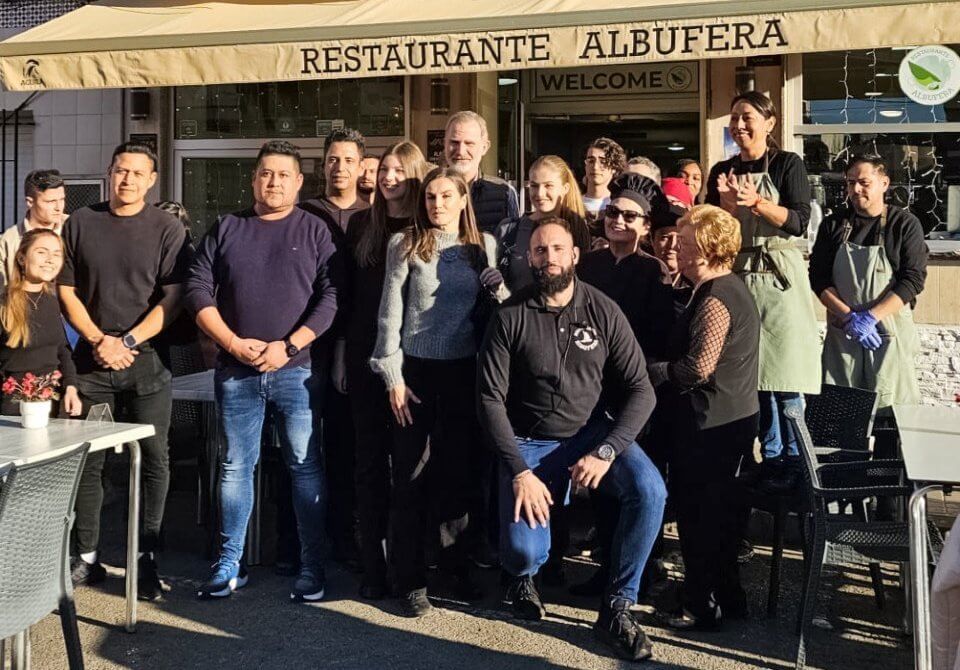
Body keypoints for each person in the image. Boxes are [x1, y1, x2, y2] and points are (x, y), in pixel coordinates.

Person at [477, 218, 664, 660]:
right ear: (528, 258)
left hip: (592, 434)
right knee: (524, 554)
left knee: (650, 489)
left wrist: (606, 450)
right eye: (540, 251)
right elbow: (489, 400)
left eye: (558, 249)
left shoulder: (603, 310)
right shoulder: (509, 317)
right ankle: (523, 574)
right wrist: (520, 472)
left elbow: (642, 390)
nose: (550, 258)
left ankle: (617, 608)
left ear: (575, 255)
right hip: (530, 444)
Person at [185, 140, 343, 602]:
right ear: (253, 179)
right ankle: (229, 563)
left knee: (305, 467)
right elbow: (197, 289)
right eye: (265, 174)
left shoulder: (316, 230)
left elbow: (331, 298)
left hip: (297, 371)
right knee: (235, 468)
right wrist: (230, 342)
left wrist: (289, 345)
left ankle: (313, 567)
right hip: (236, 371)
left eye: (282, 175)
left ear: (298, 183)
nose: (273, 182)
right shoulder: (228, 227)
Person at [370, 166, 507, 617]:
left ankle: (454, 566)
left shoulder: (483, 246)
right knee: (409, 475)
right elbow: (390, 315)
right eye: (430, 197)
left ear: (463, 198)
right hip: (417, 374)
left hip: (464, 372)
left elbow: (498, 309)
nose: (437, 205)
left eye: (446, 196)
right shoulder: (405, 244)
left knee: (457, 475)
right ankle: (407, 577)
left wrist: (500, 290)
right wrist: (393, 377)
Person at [59, 141, 192, 598]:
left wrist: (129, 341)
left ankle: (145, 558)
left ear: (152, 180)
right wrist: (99, 340)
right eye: (120, 171)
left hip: (147, 361)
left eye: (137, 173)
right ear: (108, 173)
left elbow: (173, 298)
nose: (127, 180)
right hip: (92, 363)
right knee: (89, 461)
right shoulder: (80, 222)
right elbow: (66, 291)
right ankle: (88, 557)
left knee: (154, 459)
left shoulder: (167, 228)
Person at [648, 204, 760, 629]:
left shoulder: (716, 297)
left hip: (711, 425)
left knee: (703, 518)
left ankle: (701, 605)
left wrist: (657, 370)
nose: (678, 245)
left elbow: (699, 367)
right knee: (719, 518)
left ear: (708, 247)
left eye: (688, 240)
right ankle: (726, 598)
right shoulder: (722, 287)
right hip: (725, 419)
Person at [706, 91, 821, 492]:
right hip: (738, 274)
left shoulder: (789, 164)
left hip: (780, 275)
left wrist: (757, 203)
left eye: (748, 117)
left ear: (770, 123)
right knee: (749, 373)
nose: (739, 125)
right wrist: (725, 204)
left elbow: (799, 221)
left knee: (785, 372)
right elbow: (713, 231)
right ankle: (767, 456)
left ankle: (797, 458)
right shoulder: (722, 169)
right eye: (734, 118)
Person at [336, 140, 429, 598]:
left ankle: (407, 569)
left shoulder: (427, 226)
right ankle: (372, 568)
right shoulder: (361, 225)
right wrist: (340, 354)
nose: (389, 178)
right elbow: (347, 298)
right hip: (361, 355)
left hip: (413, 363)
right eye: (385, 170)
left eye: (398, 171)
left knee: (409, 470)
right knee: (368, 466)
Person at [300, 126, 369, 568]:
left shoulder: (371, 217)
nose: (339, 167)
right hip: (306, 346)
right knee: (301, 447)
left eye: (348, 159)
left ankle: (344, 536)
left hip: (354, 347)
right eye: (332, 159)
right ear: (321, 164)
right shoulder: (305, 213)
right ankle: (299, 539)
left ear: (362, 167)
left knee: (346, 447)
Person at [809, 155, 926, 412]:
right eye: (850, 183)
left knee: (890, 414)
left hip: (888, 335)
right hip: (844, 334)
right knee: (840, 414)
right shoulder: (833, 225)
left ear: (884, 183)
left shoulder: (904, 225)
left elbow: (913, 279)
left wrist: (871, 317)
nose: (855, 189)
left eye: (864, 182)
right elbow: (818, 278)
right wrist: (849, 316)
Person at [0, 229, 81, 417]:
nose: (50, 259)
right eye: (41, 252)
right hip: (12, 408)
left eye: (56, 254)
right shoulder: (4, 304)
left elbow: (63, 350)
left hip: (53, 403)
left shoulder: (56, 300)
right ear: (21, 258)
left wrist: (71, 387)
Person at [496, 155, 592, 293]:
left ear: (565, 188)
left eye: (548, 186)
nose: (540, 193)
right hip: (517, 312)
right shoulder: (508, 229)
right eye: (534, 186)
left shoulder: (577, 228)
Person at [443, 110, 519, 234]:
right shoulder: (429, 190)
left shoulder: (504, 192)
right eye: (454, 142)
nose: (461, 151)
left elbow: (512, 245)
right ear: (444, 144)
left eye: (469, 143)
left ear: (484, 147)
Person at [0, 169, 66, 289]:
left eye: (62, 200)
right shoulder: (8, 241)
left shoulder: (75, 227)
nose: (59, 207)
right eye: (50, 201)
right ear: (30, 202)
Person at [582, 138, 626, 220]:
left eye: (603, 162)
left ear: (614, 168)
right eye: (591, 161)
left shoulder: (620, 206)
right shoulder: (572, 203)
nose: (595, 167)